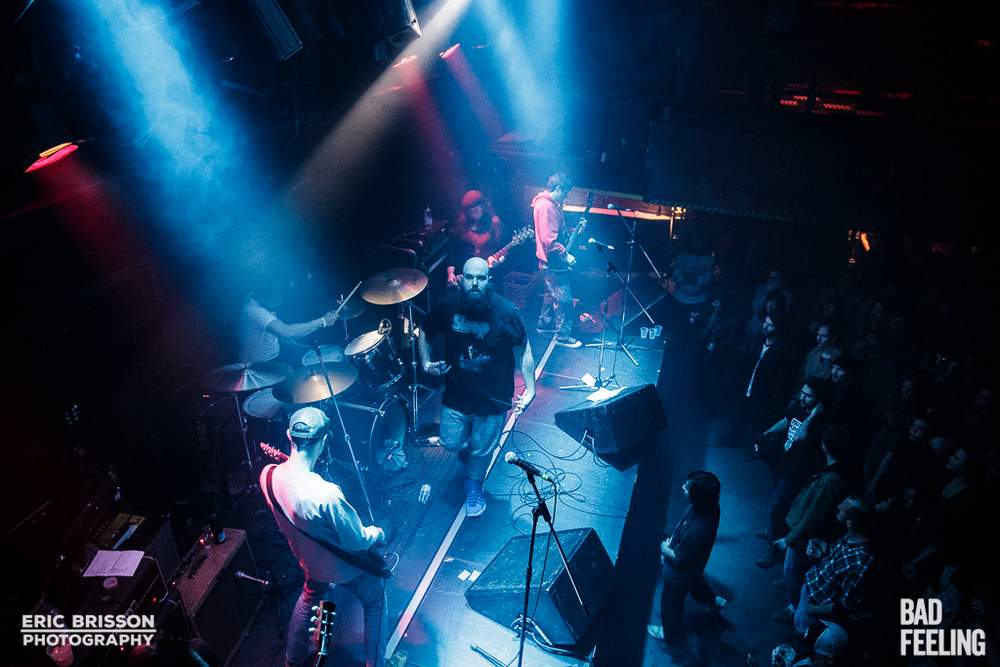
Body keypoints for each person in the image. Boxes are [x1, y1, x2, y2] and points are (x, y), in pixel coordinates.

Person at [260, 407, 388, 667]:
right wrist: (377, 533)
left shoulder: (268, 475)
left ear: (289, 435)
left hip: (309, 562)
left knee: (309, 597)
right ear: (325, 441)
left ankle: (292, 659)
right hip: (343, 569)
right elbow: (356, 541)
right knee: (375, 598)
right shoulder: (325, 494)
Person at [418, 257, 536, 517]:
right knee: (450, 442)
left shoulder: (506, 312)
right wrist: (426, 364)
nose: (474, 283)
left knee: (482, 450)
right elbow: (424, 333)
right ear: (461, 279)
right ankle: (470, 460)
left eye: (480, 278)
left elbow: (524, 347)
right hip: (456, 395)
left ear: (488, 281)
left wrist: (531, 389)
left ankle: (474, 486)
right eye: (469, 277)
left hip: (492, 399)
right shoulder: (446, 307)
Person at [791, 496, 878, 656]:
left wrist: (811, 609)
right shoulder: (854, 535)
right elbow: (841, 561)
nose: (838, 506)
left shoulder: (861, 564)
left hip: (816, 610)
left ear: (850, 522)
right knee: (799, 620)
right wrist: (824, 549)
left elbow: (844, 607)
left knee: (804, 642)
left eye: (841, 509)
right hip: (811, 593)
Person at [647, 471, 727, 645]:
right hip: (694, 567)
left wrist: (664, 548)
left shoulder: (698, 530)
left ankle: (670, 633)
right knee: (696, 581)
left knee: (670, 604)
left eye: (687, 488)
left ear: (699, 497)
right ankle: (712, 599)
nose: (683, 487)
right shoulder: (710, 507)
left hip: (678, 576)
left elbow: (681, 558)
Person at [532, 171, 582, 348]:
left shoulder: (549, 204)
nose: (566, 196)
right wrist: (566, 255)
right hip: (554, 262)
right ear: (559, 188)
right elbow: (549, 240)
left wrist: (572, 231)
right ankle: (563, 336)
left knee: (550, 294)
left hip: (548, 262)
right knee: (564, 299)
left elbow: (555, 232)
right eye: (565, 192)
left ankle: (544, 325)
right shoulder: (547, 206)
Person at [238, 282, 341, 363]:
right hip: (258, 366)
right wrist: (323, 321)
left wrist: (302, 348)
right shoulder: (255, 311)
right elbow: (286, 332)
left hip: (275, 357)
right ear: (263, 297)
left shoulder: (256, 297)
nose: (280, 303)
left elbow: (278, 334)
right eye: (276, 300)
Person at [446, 189, 505, 287]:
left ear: (483, 207)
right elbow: (452, 251)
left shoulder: (494, 223)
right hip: (464, 273)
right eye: (470, 212)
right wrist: (450, 273)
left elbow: (503, 249)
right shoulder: (461, 224)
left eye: (476, 210)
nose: (473, 214)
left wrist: (498, 262)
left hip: (486, 271)